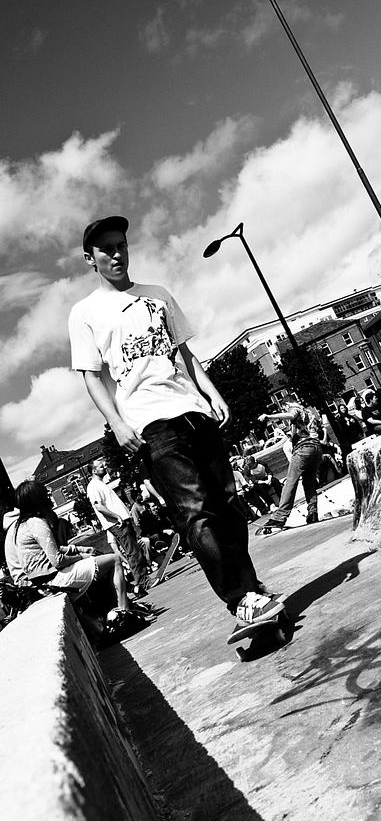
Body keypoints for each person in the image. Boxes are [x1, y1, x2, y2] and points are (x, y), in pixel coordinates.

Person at [68, 215, 281, 628]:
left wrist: (212, 392)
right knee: (196, 510)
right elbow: (91, 377)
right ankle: (239, 599)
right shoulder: (85, 313)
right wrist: (117, 423)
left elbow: (184, 353)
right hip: (151, 424)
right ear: (90, 259)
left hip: (194, 410)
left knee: (229, 502)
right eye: (106, 249)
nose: (116, 253)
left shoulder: (158, 294)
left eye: (121, 245)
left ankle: (250, 588)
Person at [13, 480, 132, 611]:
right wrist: (81, 556)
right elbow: (58, 560)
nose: (48, 497)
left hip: (41, 583)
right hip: (54, 581)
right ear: (37, 499)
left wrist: (78, 550)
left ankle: (113, 608)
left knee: (101, 561)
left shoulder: (22, 526)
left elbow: (53, 550)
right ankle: (124, 610)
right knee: (115, 559)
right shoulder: (36, 523)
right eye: (45, 495)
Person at [87, 458, 150, 594]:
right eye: (100, 465)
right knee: (132, 551)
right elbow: (98, 506)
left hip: (121, 521)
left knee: (135, 550)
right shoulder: (93, 486)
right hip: (116, 523)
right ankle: (143, 581)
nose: (104, 466)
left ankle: (143, 579)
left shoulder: (101, 484)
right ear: (93, 470)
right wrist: (116, 516)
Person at [258, 401, 323, 529]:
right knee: (309, 483)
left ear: (286, 404)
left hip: (303, 448)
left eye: (284, 407)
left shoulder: (295, 409)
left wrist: (269, 416)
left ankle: (279, 517)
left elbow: (291, 415)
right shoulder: (308, 413)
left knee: (291, 482)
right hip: (316, 448)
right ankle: (312, 512)